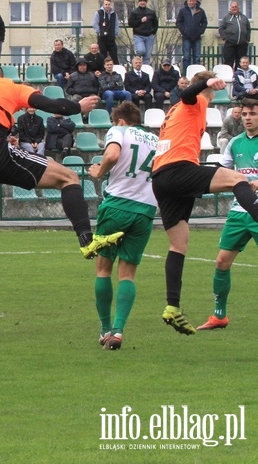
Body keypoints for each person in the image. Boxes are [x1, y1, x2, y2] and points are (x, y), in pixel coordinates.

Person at [0, 64, 122, 325]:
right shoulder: (7, 86)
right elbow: (50, 104)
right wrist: (79, 108)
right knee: (69, 178)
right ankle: (87, 240)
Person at [151, 72, 258, 335]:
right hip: (178, 169)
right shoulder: (196, 100)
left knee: (178, 244)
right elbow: (189, 93)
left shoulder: (173, 110)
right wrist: (206, 85)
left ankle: (172, 307)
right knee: (236, 180)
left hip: (160, 177)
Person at [87, 102, 159, 351]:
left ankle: (105, 328)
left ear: (119, 120)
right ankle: (118, 331)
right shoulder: (155, 139)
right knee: (128, 274)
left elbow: (113, 155)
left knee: (103, 269)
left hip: (117, 203)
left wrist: (99, 173)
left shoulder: (119, 131)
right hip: (146, 209)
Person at [197, 98, 258, 331]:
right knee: (222, 261)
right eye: (244, 114)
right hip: (238, 213)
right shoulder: (235, 143)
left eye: (252, 113)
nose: (248, 118)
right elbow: (222, 171)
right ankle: (219, 316)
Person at [175, 0, 208, 76]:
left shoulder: (200, 11)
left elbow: (204, 22)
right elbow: (179, 22)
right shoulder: (183, 11)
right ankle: (187, 75)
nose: (192, 2)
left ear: (196, 2)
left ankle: (196, 76)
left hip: (197, 37)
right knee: (186, 57)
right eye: (190, 1)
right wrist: (184, 31)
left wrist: (200, 31)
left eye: (193, 1)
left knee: (197, 57)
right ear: (188, 1)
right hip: (186, 37)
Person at [128, 0, 159, 67]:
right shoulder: (134, 12)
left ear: (146, 2)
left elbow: (155, 23)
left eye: (144, 1)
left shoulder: (151, 12)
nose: (142, 2)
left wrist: (153, 32)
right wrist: (140, 21)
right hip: (138, 35)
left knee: (147, 56)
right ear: (138, 2)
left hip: (149, 36)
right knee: (141, 51)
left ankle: (145, 70)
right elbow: (130, 23)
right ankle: (136, 61)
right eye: (141, 1)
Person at [219, 1, 251, 66]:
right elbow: (221, 28)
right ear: (230, 8)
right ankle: (228, 75)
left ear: (238, 8)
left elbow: (248, 29)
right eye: (233, 7)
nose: (234, 8)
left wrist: (247, 39)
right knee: (228, 61)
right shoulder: (226, 17)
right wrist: (225, 38)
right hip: (230, 43)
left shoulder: (244, 17)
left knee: (240, 62)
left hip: (242, 44)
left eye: (235, 7)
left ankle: (238, 75)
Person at [93, 0, 120, 66]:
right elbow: (95, 24)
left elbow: (116, 24)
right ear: (103, 5)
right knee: (103, 57)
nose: (107, 6)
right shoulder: (98, 13)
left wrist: (115, 34)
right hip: (102, 39)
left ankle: (116, 71)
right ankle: (103, 71)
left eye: (109, 4)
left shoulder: (114, 14)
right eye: (106, 4)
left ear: (111, 5)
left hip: (111, 38)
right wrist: (99, 32)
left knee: (114, 56)